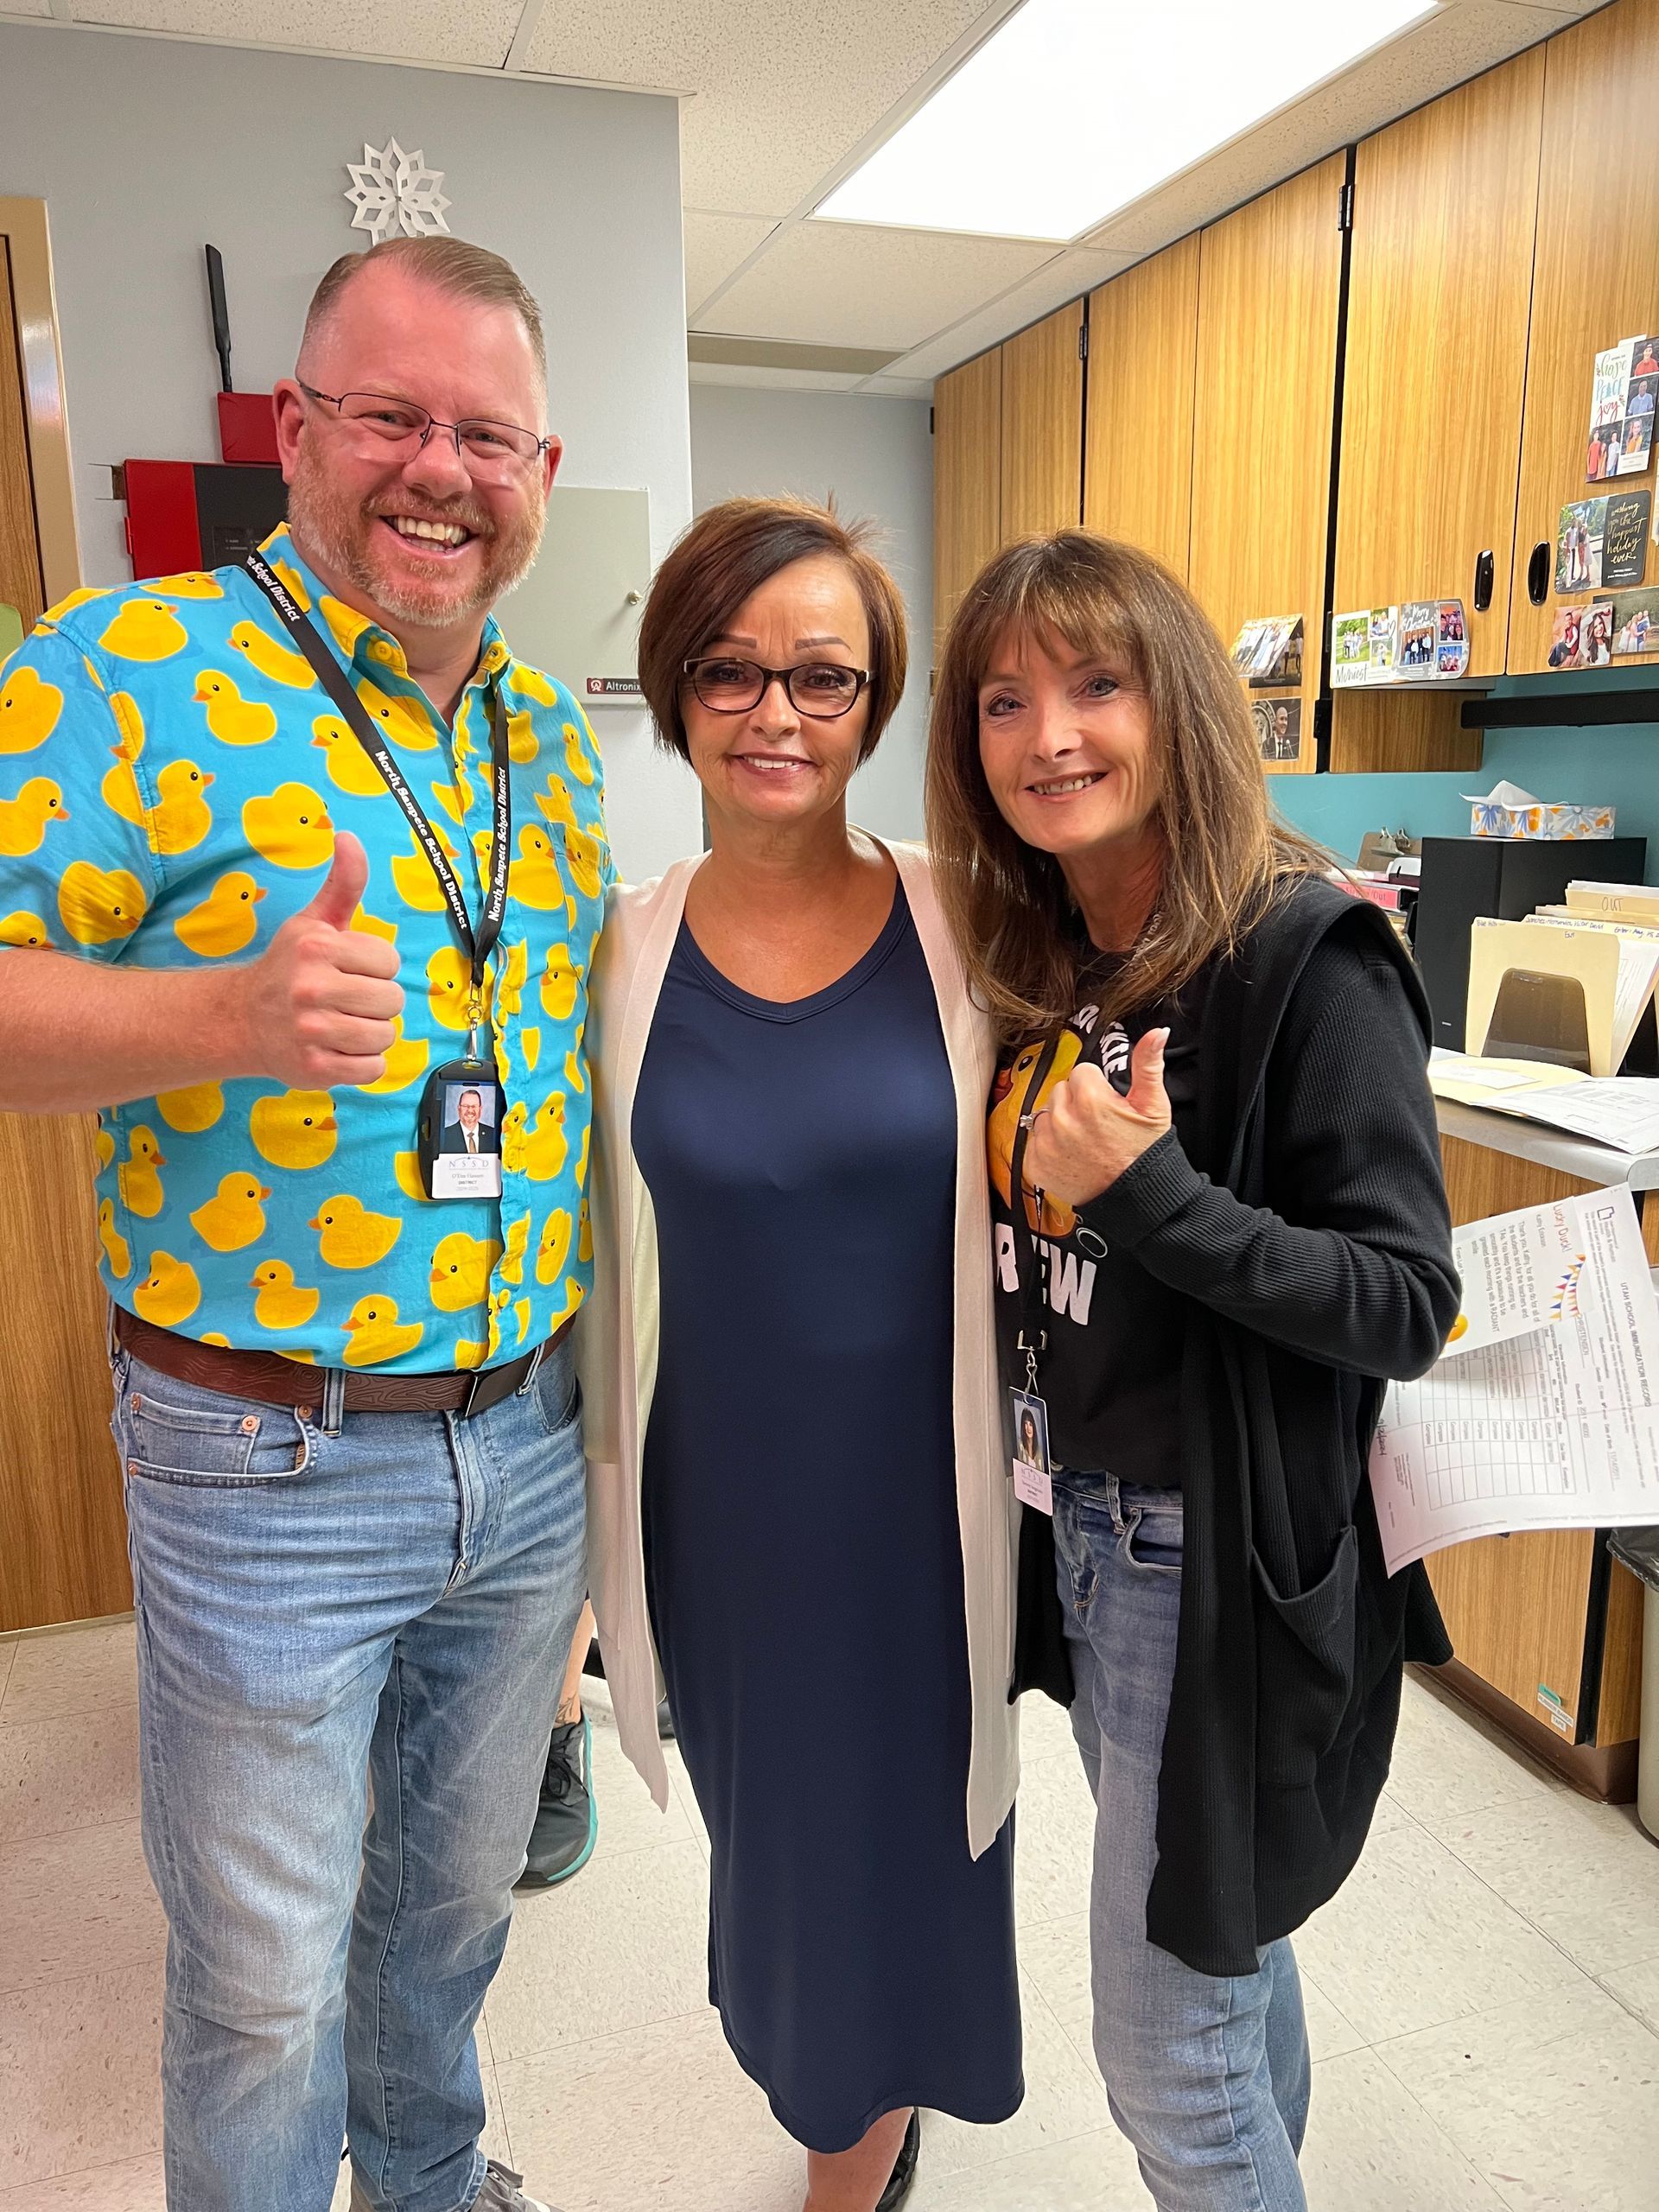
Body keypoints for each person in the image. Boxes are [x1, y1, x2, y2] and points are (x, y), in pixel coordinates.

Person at [0, 233, 613, 2212]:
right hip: (266, 1454)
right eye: (392, 415)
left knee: (445, 1920)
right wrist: (225, 1016)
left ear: (540, 467)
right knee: (263, 1982)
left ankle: (427, 2185)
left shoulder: (551, 741)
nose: (440, 467)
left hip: (524, 1449)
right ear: (296, 431)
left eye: (487, 432)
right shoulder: (117, 673)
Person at [925, 531, 1459, 2211]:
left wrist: (1156, 1197)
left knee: (1167, 2045)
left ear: (1178, 705)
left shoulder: (1305, 953)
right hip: (1087, 1519)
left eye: (1096, 682)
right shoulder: (1052, 952)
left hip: (1210, 1554)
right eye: (1005, 698)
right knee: (1225, 1944)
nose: (1049, 733)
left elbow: (1400, 1296)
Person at [580, 497, 1023, 2212]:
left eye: (822, 677)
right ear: (677, 690)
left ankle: (860, 2157)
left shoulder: (968, 925)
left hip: (926, 1509)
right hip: (726, 1508)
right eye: (732, 670)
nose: (777, 712)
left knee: (915, 1849)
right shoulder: (616, 944)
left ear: (878, 699)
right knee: (781, 1863)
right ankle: (839, 2106)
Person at [442, 1083, 499, 1154]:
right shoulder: (445, 1135)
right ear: (459, 1108)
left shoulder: (494, 1135)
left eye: (474, 1106)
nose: (470, 1110)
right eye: (465, 1106)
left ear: (480, 1109)